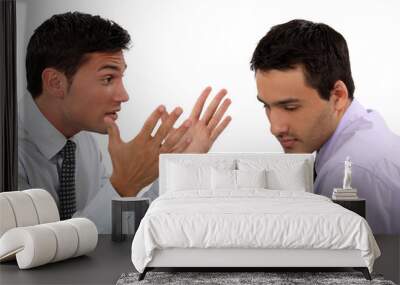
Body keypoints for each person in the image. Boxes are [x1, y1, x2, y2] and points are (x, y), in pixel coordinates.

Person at [18, 12, 232, 233]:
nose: (124, 95)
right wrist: (123, 184)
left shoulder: (83, 143)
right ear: (55, 83)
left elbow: (119, 228)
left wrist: (176, 171)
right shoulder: (10, 154)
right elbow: (29, 252)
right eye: (108, 79)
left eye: (121, 78)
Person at [250, 19, 400, 234]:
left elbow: (362, 266)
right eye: (266, 106)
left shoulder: (347, 174)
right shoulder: (369, 130)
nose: (275, 127)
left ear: (338, 96)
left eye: (290, 107)